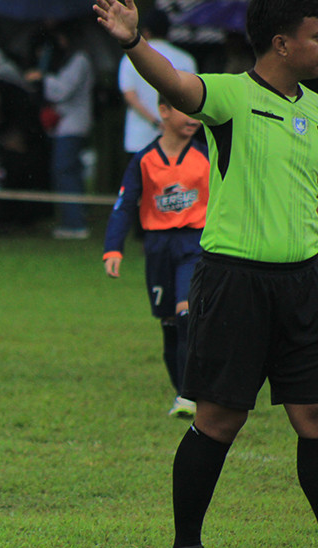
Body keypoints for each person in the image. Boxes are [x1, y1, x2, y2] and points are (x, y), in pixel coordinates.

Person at [94, 0, 318, 548]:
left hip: (304, 286)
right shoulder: (230, 97)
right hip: (235, 282)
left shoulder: (317, 110)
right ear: (281, 44)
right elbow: (171, 80)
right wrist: (134, 40)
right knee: (219, 420)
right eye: (317, 36)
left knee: (314, 416)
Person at [103, 96, 209, 419]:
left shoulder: (207, 156)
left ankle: (191, 394)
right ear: (163, 111)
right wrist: (113, 247)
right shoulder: (144, 160)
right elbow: (124, 205)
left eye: (196, 112)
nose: (193, 118)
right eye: (185, 111)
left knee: (186, 313)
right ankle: (182, 393)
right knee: (168, 325)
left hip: (195, 243)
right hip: (158, 248)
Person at [26, 21, 94, 240]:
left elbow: (62, 91)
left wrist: (42, 77)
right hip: (64, 126)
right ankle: (72, 219)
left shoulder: (79, 59)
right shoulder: (67, 60)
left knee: (65, 171)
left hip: (72, 126)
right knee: (66, 171)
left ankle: (75, 224)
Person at [118, 9, 197, 156]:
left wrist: (155, 122)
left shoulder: (130, 58)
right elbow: (191, 97)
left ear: (145, 32)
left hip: (139, 138)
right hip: (177, 139)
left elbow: (130, 96)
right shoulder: (186, 59)